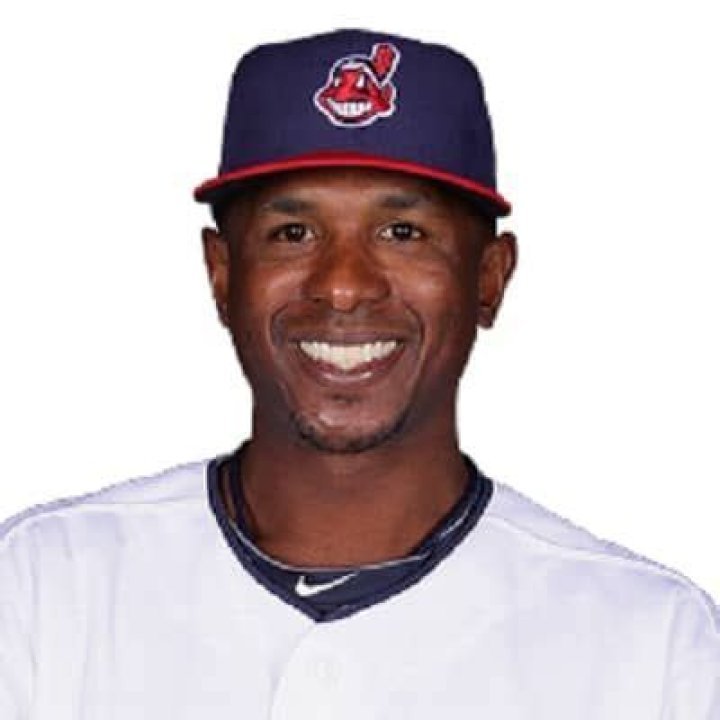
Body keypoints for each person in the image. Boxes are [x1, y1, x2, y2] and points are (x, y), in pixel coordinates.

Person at [1, 27, 718, 718]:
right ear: (222, 275)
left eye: (403, 233)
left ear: (489, 279)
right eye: (293, 233)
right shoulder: (41, 588)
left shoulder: (652, 645)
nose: (343, 285)